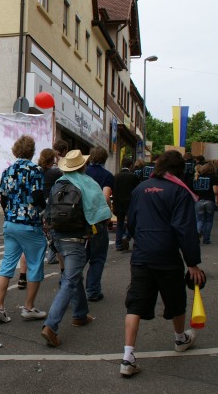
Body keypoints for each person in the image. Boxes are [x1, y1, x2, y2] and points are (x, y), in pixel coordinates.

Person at [120, 150, 205, 377]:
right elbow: (185, 229)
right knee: (176, 299)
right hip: (167, 255)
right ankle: (180, 338)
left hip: (142, 254)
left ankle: (128, 357)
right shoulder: (180, 191)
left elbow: (131, 221)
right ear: (179, 170)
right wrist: (192, 262)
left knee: (135, 304)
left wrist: (141, 239)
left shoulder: (140, 189)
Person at [40, 149, 108, 347]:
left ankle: (80, 314)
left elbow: (49, 211)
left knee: (73, 275)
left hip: (58, 236)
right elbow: (101, 213)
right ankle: (51, 326)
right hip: (76, 238)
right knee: (70, 280)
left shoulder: (58, 184)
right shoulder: (88, 183)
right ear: (83, 165)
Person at [0, 135, 47, 323]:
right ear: (32, 151)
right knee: (35, 264)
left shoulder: (7, 171)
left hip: (10, 223)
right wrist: (44, 209)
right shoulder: (36, 170)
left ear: (15, 150)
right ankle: (28, 308)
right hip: (30, 224)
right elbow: (37, 196)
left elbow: (3, 198)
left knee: (7, 263)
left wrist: (10, 213)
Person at [84, 146, 114, 302]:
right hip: (97, 221)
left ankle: (68, 286)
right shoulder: (107, 175)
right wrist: (107, 214)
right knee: (98, 257)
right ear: (104, 159)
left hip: (81, 220)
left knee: (79, 257)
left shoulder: (82, 172)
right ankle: (93, 290)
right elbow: (106, 196)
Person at [112, 157, 140, 251]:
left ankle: (118, 244)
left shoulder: (115, 176)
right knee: (131, 222)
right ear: (130, 166)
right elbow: (138, 189)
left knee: (119, 224)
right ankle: (126, 236)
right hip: (130, 203)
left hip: (118, 203)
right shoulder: (133, 176)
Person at [192, 162, 218, 244]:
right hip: (209, 200)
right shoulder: (213, 177)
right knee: (209, 220)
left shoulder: (197, 177)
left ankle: (198, 232)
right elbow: (215, 191)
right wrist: (217, 197)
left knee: (199, 219)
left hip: (199, 201)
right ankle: (206, 239)